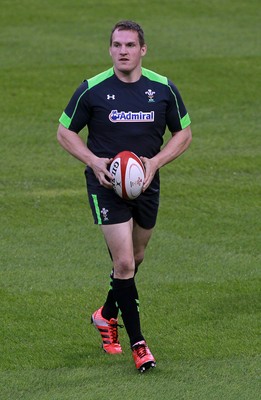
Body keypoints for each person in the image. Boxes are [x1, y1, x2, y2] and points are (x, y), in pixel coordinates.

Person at [57, 20, 192, 372]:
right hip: (105, 186)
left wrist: (156, 163)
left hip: (145, 183)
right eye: (117, 45)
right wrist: (93, 161)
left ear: (142, 50)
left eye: (130, 45)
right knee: (125, 263)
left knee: (138, 256)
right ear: (110, 49)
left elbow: (184, 134)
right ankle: (139, 346)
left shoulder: (162, 89)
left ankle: (105, 314)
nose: (123, 51)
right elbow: (64, 132)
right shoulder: (93, 89)